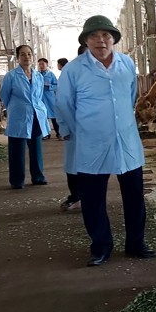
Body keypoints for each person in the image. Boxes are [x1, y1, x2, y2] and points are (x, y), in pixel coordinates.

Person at [56, 16, 156, 265]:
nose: (101, 40)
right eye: (94, 36)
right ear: (86, 41)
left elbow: (131, 95)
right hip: (92, 141)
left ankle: (136, 242)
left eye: (106, 35)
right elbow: (65, 104)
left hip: (126, 139)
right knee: (92, 198)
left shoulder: (126, 64)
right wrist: (80, 129)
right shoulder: (74, 69)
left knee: (134, 194)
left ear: (113, 39)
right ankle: (100, 247)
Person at [1, 44, 49, 189]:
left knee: (36, 147)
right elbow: (5, 95)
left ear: (32, 56)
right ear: (17, 58)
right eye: (22, 54)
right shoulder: (11, 76)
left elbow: (39, 95)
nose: (26, 57)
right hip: (19, 115)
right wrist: (17, 107)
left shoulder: (38, 76)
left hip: (36, 114)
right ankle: (17, 180)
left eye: (29, 54)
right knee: (17, 148)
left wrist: (35, 106)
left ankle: (38, 177)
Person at [57, 44, 86, 212]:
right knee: (73, 165)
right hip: (74, 127)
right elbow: (60, 102)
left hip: (93, 129)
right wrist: (64, 127)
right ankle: (75, 197)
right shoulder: (70, 73)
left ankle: (87, 197)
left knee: (94, 167)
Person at [37, 57, 59, 138]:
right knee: (43, 117)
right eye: (39, 64)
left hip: (50, 98)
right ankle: (46, 134)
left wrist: (49, 85)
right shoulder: (36, 75)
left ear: (47, 65)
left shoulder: (51, 75)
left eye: (42, 64)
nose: (41, 66)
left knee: (54, 117)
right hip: (40, 99)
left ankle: (58, 133)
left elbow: (57, 86)